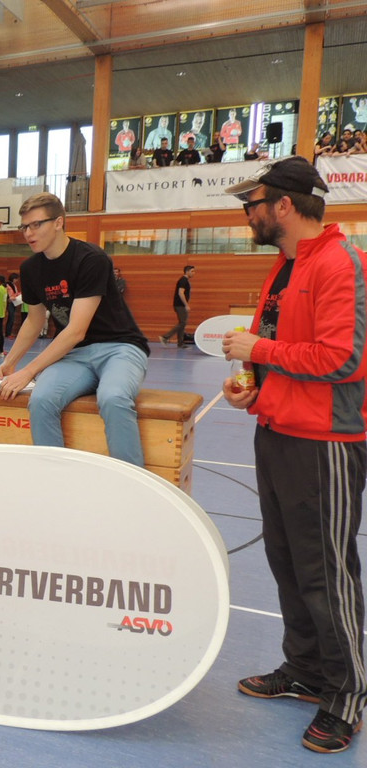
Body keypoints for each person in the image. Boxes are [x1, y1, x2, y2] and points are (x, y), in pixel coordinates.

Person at [221, 156, 367, 754]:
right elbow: (278, 348)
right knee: (287, 563)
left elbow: (343, 358)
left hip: (325, 442)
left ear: (284, 204)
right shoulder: (284, 268)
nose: (247, 214)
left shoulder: (341, 262)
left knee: (325, 572)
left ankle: (347, 694)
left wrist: (260, 349)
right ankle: (306, 670)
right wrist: (251, 386)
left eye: (252, 203)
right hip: (278, 430)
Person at [0, 192, 150, 467]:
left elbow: (77, 330)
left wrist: (28, 372)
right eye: (24, 226)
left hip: (119, 348)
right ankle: (57, 478)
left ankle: (132, 481)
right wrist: (11, 361)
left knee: (113, 398)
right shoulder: (30, 268)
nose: (28, 233)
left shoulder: (91, 258)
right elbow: (34, 320)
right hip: (75, 356)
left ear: (58, 222)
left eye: (36, 224)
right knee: (41, 400)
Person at [160, 265, 195, 347]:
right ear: (187, 272)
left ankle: (180, 343)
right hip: (180, 305)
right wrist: (186, 305)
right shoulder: (183, 280)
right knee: (182, 323)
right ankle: (165, 337)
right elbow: (180, 293)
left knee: (182, 323)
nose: (194, 273)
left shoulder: (185, 280)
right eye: (192, 271)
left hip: (180, 305)